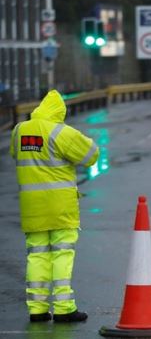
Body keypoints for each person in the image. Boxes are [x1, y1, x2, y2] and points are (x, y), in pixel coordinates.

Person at [9, 90, 99, 323]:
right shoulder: (60, 131)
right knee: (62, 254)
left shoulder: (20, 130)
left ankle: (37, 309)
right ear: (60, 113)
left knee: (36, 256)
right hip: (60, 207)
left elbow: (14, 153)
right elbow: (91, 155)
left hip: (31, 207)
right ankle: (63, 308)